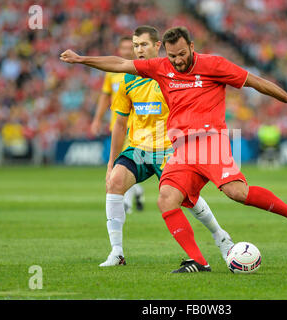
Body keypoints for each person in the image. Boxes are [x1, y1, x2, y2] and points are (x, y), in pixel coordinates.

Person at [60, 26, 287, 274]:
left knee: (236, 193)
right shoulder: (161, 67)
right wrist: (82, 60)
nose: (177, 61)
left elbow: (252, 81)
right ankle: (199, 262)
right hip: (181, 147)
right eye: (172, 56)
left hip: (211, 142)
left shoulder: (214, 64)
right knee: (166, 198)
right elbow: (120, 63)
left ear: (191, 46)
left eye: (181, 54)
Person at [98, 26, 234, 267]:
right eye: (136, 45)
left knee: (187, 199)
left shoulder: (172, 74)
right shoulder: (127, 79)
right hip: (139, 148)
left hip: (169, 149)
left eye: (144, 45)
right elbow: (120, 122)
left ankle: (220, 236)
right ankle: (117, 252)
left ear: (157, 46)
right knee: (115, 182)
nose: (139, 50)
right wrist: (111, 162)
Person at [90, 36, 144, 214]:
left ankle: (125, 204)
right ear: (120, 50)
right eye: (125, 48)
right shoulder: (111, 72)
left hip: (136, 127)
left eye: (131, 47)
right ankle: (137, 192)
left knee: (124, 164)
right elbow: (105, 96)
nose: (128, 51)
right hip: (117, 126)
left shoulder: (141, 70)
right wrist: (97, 119)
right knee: (123, 165)